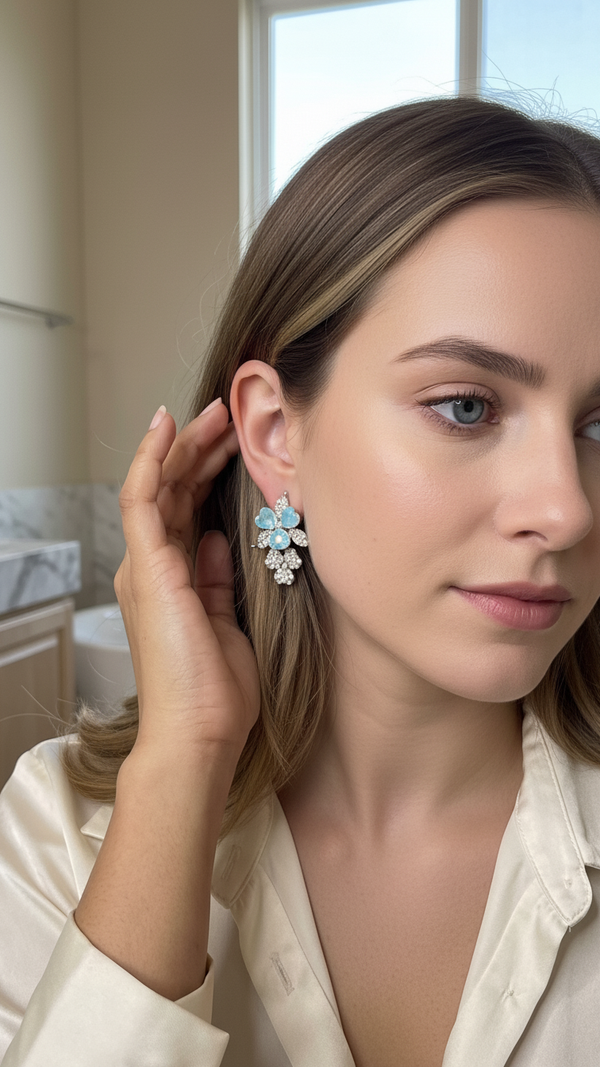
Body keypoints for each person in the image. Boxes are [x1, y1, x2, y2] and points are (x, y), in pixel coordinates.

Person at [2, 94, 600, 1067]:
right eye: (465, 405)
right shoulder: (57, 834)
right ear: (277, 435)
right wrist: (182, 762)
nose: (566, 508)